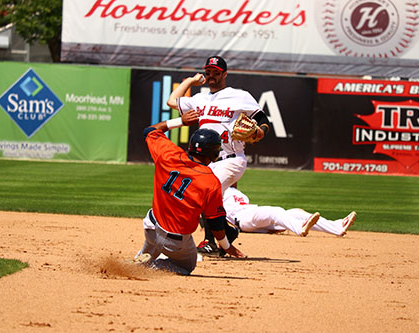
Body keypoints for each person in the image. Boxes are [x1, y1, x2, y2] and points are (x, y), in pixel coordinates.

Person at [166, 55, 271, 255]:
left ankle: (210, 241)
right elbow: (171, 101)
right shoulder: (200, 99)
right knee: (208, 196)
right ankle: (227, 234)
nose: (211, 76)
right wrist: (190, 81)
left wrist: (261, 131)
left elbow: (262, 119)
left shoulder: (239, 95)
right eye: (208, 72)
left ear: (224, 74)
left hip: (230, 159)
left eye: (216, 72)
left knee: (204, 193)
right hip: (208, 161)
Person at [133, 111, 245, 275]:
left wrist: (181, 121)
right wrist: (227, 247)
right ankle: (153, 266)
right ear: (214, 154)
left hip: (151, 225)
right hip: (173, 241)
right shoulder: (210, 182)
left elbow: (150, 130)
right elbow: (215, 223)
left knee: (148, 250)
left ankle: (139, 262)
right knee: (187, 266)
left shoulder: (169, 154)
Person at [223, 186, 357, 237]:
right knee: (275, 212)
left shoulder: (232, 188)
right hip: (242, 219)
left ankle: (337, 227)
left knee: (296, 213)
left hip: (252, 214)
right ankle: (299, 228)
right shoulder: (218, 189)